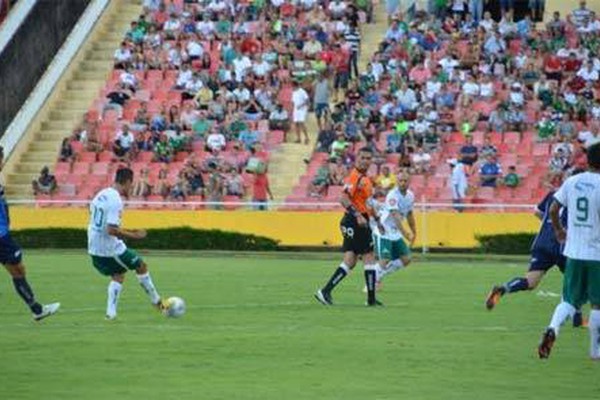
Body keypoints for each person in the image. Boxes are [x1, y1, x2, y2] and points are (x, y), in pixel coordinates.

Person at [485, 174, 585, 328]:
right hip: (563, 245)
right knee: (576, 282)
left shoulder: (553, 195)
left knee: (530, 282)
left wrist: (549, 225)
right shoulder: (580, 198)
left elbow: (538, 212)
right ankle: (577, 318)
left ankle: (503, 289)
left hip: (542, 243)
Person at [538, 143, 600, 359]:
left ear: (589, 161)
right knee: (597, 304)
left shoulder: (573, 181)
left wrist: (559, 230)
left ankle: (553, 328)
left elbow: (553, 208)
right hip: (597, 254)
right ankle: (595, 351)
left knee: (569, 300)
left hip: (573, 252)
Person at [87, 168, 167, 320]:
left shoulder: (102, 194)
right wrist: (135, 235)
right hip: (109, 248)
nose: (131, 187)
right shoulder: (115, 199)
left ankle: (111, 314)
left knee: (118, 275)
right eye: (131, 183)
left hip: (93, 245)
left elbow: (93, 214)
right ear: (128, 181)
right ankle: (157, 302)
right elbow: (111, 230)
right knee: (141, 266)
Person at [314, 147, 383, 307]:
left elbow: (366, 203)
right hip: (355, 220)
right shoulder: (355, 176)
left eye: (368, 158)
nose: (365, 161)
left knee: (350, 260)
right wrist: (358, 215)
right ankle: (371, 300)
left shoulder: (365, 179)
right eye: (363, 157)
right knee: (369, 256)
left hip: (354, 220)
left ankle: (325, 291)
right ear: (357, 158)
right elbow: (343, 198)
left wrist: (377, 219)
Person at [0, 151, 60, 320]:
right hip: (1, 237)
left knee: (18, 270)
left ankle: (37, 309)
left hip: (3, 234)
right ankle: (37, 309)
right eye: (2, 159)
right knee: (18, 270)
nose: (3, 163)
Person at [370, 172, 416, 289]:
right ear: (397, 181)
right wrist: (406, 233)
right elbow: (395, 215)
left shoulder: (410, 196)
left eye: (405, 181)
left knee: (406, 259)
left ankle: (377, 275)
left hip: (395, 231)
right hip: (384, 230)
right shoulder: (392, 195)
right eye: (400, 181)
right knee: (385, 259)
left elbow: (410, 214)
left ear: (409, 182)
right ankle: (370, 283)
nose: (403, 183)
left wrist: (414, 231)